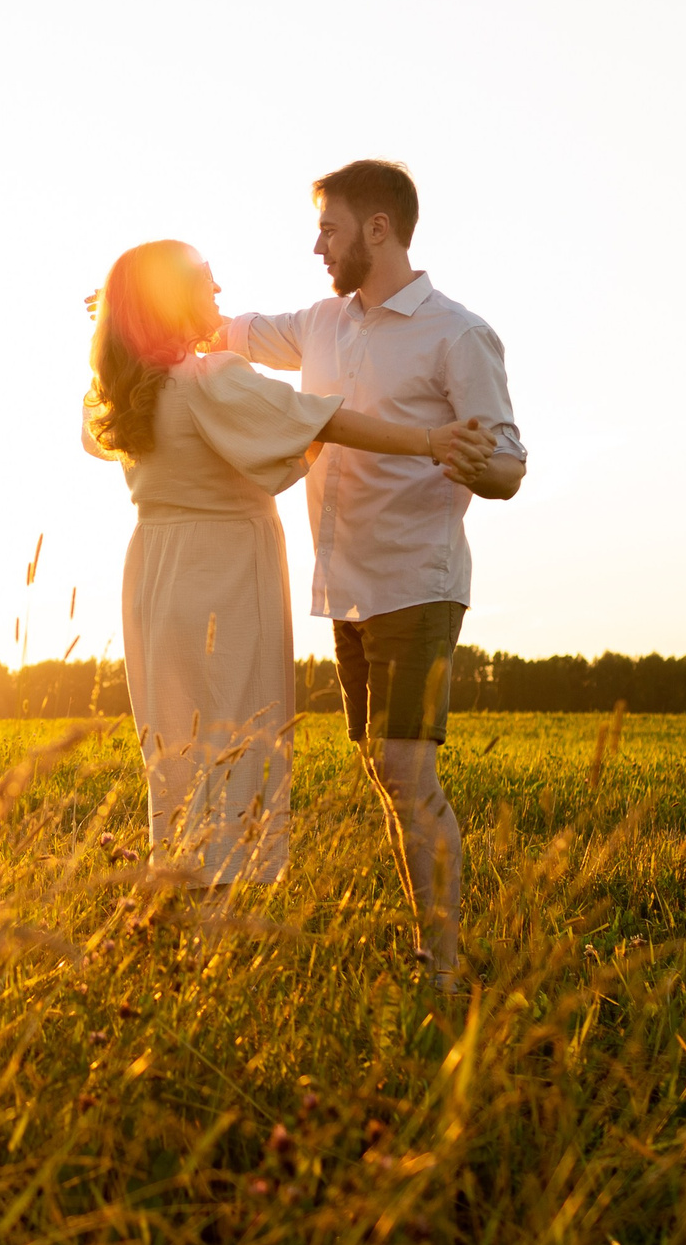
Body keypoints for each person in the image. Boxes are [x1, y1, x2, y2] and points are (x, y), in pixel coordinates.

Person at [84, 239, 495, 892]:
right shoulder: (212, 379)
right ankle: (214, 922)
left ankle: (181, 913)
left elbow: (112, 405)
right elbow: (324, 420)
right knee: (232, 748)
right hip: (222, 575)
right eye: (206, 284)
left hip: (155, 578)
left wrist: (123, 319)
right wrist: (428, 438)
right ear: (171, 299)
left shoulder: (118, 393)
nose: (219, 295)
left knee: (176, 758)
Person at [217, 159, 525, 992]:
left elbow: (508, 464)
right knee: (386, 769)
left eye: (330, 229)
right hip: (345, 583)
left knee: (407, 769)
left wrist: (476, 462)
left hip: (417, 580)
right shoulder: (320, 322)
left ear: (378, 229)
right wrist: (143, 318)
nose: (317, 245)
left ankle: (446, 968)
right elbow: (230, 331)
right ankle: (432, 950)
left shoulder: (457, 333)